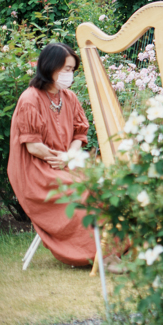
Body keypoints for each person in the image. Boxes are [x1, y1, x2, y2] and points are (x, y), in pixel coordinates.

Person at [7, 43, 101, 267]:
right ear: (49, 67)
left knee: (100, 182)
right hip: (35, 170)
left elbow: (80, 134)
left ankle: (111, 247)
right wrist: (62, 159)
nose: (69, 75)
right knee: (80, 190)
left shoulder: (68, 97)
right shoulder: (30, 99)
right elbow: (33, 147)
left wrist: (69, 157)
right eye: (65, 69)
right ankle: (94, 254)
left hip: (64, 162)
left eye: (72, 70)